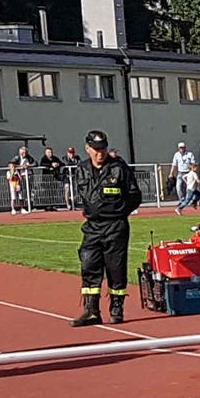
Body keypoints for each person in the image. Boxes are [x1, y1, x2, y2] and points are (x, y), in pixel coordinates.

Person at [70, 130, 143, 326]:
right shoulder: (82, 168)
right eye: (95, 149)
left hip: (115, 226)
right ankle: (91, 310)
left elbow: (135, 196)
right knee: (88, 265)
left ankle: (117, 309)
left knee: (116, 268)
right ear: (87, 149)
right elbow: (82, 195)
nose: (99, 153)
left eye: (102, 149)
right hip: (93, 226)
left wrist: (120, 211)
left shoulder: (119, 168)